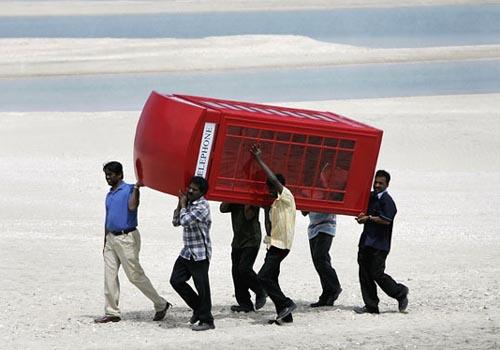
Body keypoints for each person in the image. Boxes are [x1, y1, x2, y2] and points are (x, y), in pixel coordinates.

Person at [95, 161, 170, 323]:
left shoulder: (129, 189)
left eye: (111, 174)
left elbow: (132, 206)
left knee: (134, 275)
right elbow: (108, 218)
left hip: (126, 237)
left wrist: (136, 189)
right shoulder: (110, 194)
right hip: (111, 239)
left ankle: (160, 303)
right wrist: (104, 241)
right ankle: (112, 312)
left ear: (120, 174)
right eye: (106, 174)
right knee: (109, 276)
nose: (108, 177)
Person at [250, 144, 297, 324]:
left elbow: (273, 179)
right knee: (272, 278)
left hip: (281, 245)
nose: (270, 192)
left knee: (262, 277)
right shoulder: (275, 205)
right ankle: (286, 316)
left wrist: (259, 159)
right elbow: (269, 229)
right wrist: (265, 209)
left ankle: (286, 304)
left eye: (271, 188)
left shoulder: (286, 196)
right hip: (274, 243)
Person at [354, 169, 409, 314]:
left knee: (377, 273)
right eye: (376, 182)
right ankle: (371, 305)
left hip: (380, 244)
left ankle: (400, 292)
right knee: (364, 274)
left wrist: (369, 218)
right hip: (366, 241)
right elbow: (362, 214)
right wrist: (361, 218)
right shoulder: (370, 197)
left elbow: (386, 220)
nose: (377, 185)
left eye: (381, 183)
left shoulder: (388, 201)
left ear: (387, 184)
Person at [170, 176, 215, 331]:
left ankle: (207, 320)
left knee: (202, 287)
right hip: (187, 251)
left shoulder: (202, 207)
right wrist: (180, 203)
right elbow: (175, 222)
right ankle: (198, 308)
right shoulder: (188, 203)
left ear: (201, 193)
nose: (190, 191)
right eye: (189, 187)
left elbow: (184, 221)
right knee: (176, 280)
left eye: (194, 189)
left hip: (199, 253)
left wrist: (183, 204)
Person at [220, 202, 267, 313]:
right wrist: (231, 197)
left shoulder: (252, 198)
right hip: (238, 240)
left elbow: (249, 215)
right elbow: (222, 208)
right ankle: (245, 303)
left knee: (244, 268)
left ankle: (261, 290)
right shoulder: (235, 198)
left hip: (252, 239)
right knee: (236, 272)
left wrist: (246, 202)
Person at [302, 211, 342, 307]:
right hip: (313, 228)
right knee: (319, 262)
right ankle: (327, 294)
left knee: (320, 258)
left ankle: (334, 287)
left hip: (327, 226)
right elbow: (304, 212)